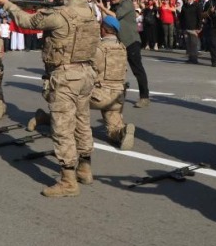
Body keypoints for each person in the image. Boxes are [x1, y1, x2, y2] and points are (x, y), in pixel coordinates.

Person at [0, 0, 99, 197]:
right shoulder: (90, 12)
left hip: (65, 75)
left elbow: (27, 21)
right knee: (82, 123)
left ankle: (68, 181)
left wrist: (7, 4)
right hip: (86, 73)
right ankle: (85, 168)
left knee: (62, 128)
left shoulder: (60, 14)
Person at [28, 16, 136, 150]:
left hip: (98, 94)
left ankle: (48, 120)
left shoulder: (99, 49)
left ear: (103, 29)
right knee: (113, 126)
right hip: (118, 96)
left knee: (67, 98)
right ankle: (121, 133)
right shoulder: (122, 48)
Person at [98, 0, 150, 108]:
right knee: (117, 71)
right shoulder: (115, 5)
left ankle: (144, 97)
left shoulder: (126, 3)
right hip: (119, 43)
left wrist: (104, 9)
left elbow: (115, 16)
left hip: (131, 41)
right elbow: (107, 21)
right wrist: (102, 8)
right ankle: (116, 96)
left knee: (137, 70)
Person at [179, 0, 204, 64]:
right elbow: (181, 18)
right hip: (186, 28)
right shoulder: (184, 6)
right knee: (188, 44)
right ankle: (190, 58)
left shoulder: (197, 6)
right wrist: (181, 27)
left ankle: (194, 59)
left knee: (194, 44)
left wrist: (199, 27)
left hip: (194, 28)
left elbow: (199, 17)